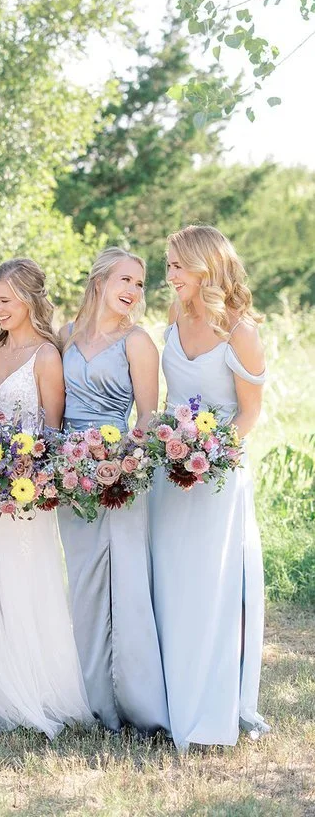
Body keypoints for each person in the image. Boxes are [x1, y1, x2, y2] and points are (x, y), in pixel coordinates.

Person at [0, 258, 93, 738]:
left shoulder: (46, 356)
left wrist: (26, 470)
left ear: (31, 299)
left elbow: (52, 432)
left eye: (6, 301)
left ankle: (30, 688)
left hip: (23, 490)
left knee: (21, 580)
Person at [150, 225, 268, 751]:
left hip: (218, 476)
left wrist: (209, 454)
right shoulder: (176, 316)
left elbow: (249, 414)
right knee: (170, 581)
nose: (168, 275)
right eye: (168, 265)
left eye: (176, 265)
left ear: (204, 268)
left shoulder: (241, 330)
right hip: (168, 475)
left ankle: (211, 703)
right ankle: (167, 697)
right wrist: (171, 449)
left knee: (211, 587)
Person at [57, 247, 168, 733]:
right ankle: (90, 700)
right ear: (99, 281)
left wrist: (122, 464)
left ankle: (139, 705)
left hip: (120, 474)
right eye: (126, 279)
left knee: (125, 581)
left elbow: (147, 416)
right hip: (68, 474)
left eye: (140, 284)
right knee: (83, 584)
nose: (133, 291)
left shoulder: (138, 342)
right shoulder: (64, 336)